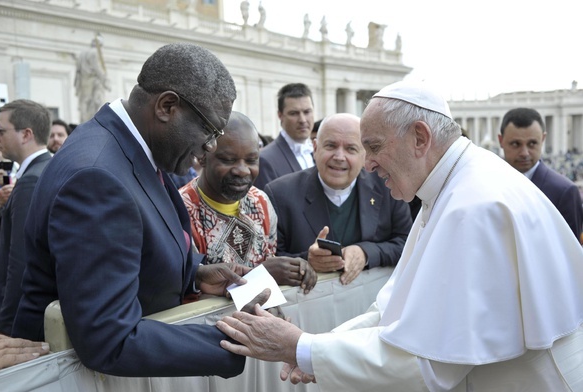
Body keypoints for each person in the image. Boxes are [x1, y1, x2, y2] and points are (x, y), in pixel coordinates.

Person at [215, 80, 583, 391]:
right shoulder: (449, 186)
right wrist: (317, 348)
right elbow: (394, 311)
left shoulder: (471, 206)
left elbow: (430, 360)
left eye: (373, 146)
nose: (368, 164)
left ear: (419, 138)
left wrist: (304, 348)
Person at [12, 43, 266, 378]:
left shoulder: (127, 150)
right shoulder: (97, 177)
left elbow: (134, 244)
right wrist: (241, 341)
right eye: (210, 129)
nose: (211, 146)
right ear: (167, 106)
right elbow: (110, 339)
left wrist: (195, 274)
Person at [264, 113, 411, 285]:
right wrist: (307, 260)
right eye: (331, 146)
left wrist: (366, 252)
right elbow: (267, 261)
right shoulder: (280, 194)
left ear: (365, 155)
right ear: (315, 148)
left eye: (351, 149)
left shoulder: (387, 186)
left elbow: (408, 243)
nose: (339, 157)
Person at [179, 111, 317, 292]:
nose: (243, 170)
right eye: (228, 160)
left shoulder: (261, 202)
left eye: (252, 160)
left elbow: (270, 260)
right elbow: (191, 288)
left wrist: (298, 267)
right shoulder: (181, 211)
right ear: (203, 156)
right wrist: (261, 274)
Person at [0, 99, 52, 335]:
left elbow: (20, 261)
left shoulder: (30, 181)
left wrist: (6, 328)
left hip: (19, 321)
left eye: (0, 130)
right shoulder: (48, 166)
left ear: (26, 134)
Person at [498, 107, 583, 240]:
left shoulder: (564, 192)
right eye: (516, 144)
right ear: (500, 141)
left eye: (532, 144)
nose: (524, 153)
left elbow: (571, 254)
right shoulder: (489, 184)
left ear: (543, 139)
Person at [253, 83, 315, 189]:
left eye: (307, 112)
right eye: (294, 113)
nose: (303, 120)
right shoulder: (265, 160)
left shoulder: (320, 153)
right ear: (280, 115)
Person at [74, 33, 110, 123]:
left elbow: (78, 69)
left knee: (84, 102)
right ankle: (90, 121)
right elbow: (97, 68)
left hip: (83, 81)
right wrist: (105, 81)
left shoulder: (82, 53)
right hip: (92, 80)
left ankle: (83, 120)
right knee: (95, 102)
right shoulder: (95, 52)